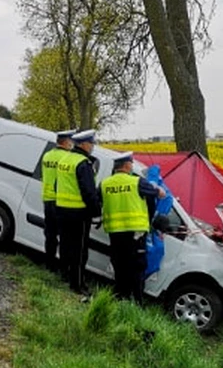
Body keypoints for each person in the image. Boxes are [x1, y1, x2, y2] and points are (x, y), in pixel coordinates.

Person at [100, 152, 166, 301]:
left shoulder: (105, 183)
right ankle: (137, 301)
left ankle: (120, 297)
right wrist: (158, 189)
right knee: (137, 268)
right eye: (131, 164)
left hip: (115, 232)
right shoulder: (136, 182)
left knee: (119, 265)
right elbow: (160, 194)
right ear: (127, 165)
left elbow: (98, 200)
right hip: (135, 233)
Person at [55, 129, 101, 293]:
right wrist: (96, 212)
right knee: (80, 251)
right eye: (91, 143)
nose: (93, 147)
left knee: (66, 246)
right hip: (78, 213)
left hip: (61, 209)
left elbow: (57, 184)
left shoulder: (65, 159)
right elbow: (88, 192)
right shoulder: (83, 163)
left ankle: (65, 276)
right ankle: (78, 285)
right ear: (84, 144)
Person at [40, 130, 76, 273]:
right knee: (65, 237)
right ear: (66, 142)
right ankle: (63, 267)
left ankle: (49, 264)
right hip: (61, 202)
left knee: (50, 235)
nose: (71, 145)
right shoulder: (67, 157)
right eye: (70, 142)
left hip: (47, 200)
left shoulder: (47, 155)